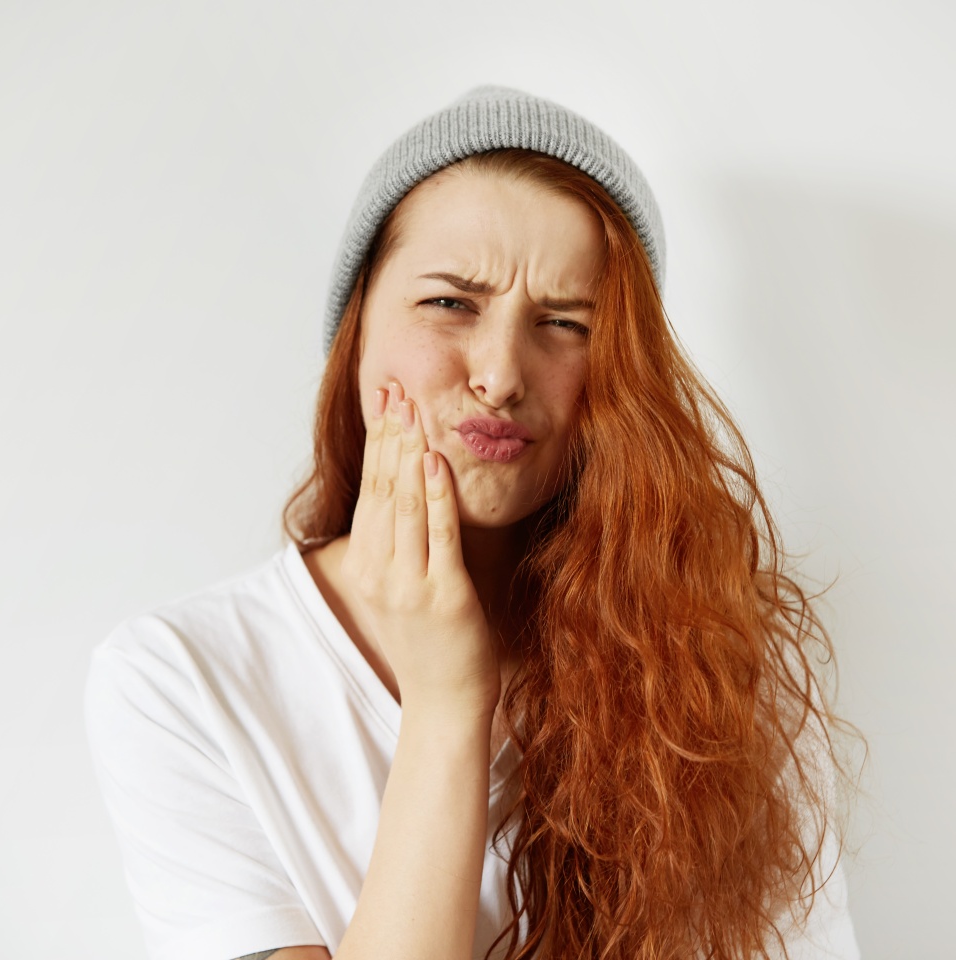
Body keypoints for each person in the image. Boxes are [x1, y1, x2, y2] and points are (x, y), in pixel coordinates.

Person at [85, 86, 860, 960]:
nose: (499, 374)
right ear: (356, 330)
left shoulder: (719, 674)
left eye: (564, 325)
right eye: (450, 304)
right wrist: (448, 704)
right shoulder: (180, 680)